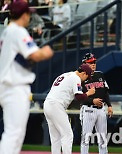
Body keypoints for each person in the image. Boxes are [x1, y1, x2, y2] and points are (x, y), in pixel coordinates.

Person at [0, 1, 54, 154]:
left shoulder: (7, 30)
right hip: (14, 86)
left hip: (8, 85)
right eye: (28, 13)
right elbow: (35, 54)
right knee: (13, 133)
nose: (29, 16)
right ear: (24, 15)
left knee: (15, 133)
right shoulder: (17, 31)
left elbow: (22, 58)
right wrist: (46, 51)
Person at [43, 63, 96, 154]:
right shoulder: (76, 78)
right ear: (83, 73)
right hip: (56, 105)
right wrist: (89, 93)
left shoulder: (65, 75)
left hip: (48, 104)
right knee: (68, 135)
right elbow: (79, 97)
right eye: (87, 77)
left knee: (56, 137)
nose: (86, 80)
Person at [80, 53, 113, 154]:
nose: (93, 64)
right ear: (84, 64)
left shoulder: (100, 74)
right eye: (90, 62)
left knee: (103, 139)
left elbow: (105, 91)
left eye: (94, 62)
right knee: (86, 139)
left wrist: (110, 105)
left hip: (101, 110)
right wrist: (92, 101)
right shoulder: (81, 78)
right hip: (88, 109)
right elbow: (79, 97)